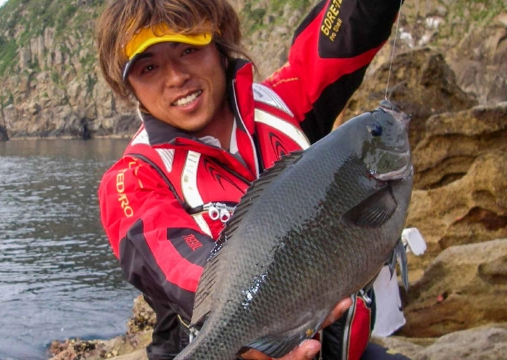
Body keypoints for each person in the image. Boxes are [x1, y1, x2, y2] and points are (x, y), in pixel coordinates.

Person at [96, 0, 405, 359]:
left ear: (220, 45)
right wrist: (246, 331)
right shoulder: (133, 179)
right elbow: (175, 266)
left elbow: (344, 34)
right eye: (148, 67)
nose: (176, 77)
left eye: (188, 49)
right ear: (129, 86)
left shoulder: (283, 103)